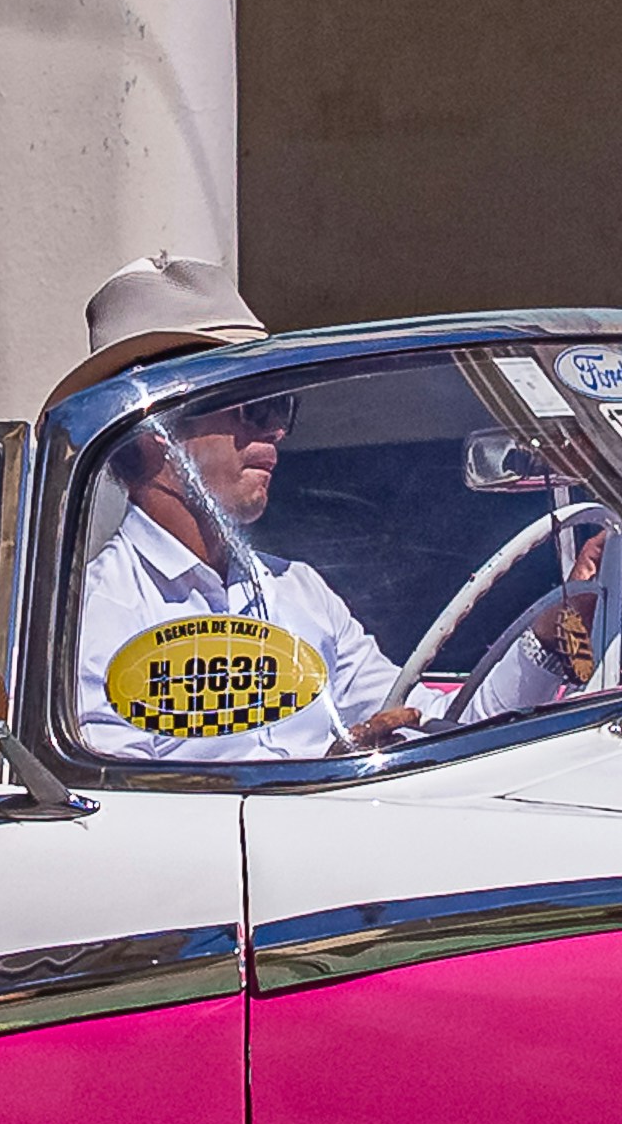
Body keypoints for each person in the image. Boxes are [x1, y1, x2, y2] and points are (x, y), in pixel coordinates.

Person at [50, 260, 415, 764]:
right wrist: (316, 781)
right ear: (159, 429)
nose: (276, 429)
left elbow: (425, 719)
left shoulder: (302, 590)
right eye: (251, 405)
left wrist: (542, 643)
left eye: (279, 404)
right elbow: (120, 818)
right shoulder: (96, 614)